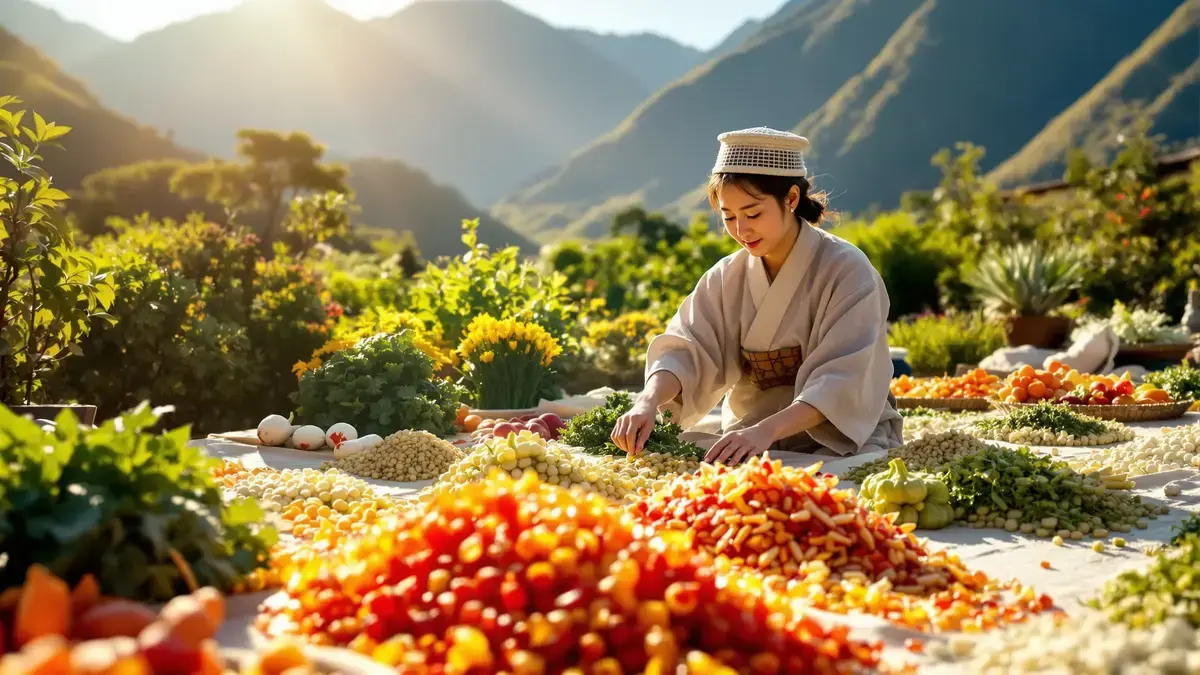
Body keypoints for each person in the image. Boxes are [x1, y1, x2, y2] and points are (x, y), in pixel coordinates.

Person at [610, 127, 902, 464]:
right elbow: (686, 349)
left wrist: (766, 430)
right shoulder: (725, 277)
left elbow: (843, 380)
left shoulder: (848, 271)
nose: (741, 230)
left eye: (753, 214)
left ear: (791, 199)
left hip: (843, 437)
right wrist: (647, 401)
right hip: (748, 436)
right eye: (728, 217)